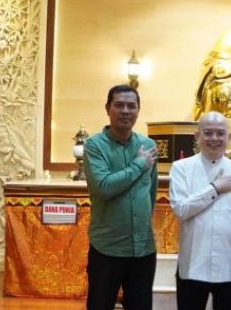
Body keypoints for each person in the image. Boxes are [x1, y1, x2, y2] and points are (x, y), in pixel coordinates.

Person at [169, 111, 231, 310]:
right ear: (197, 136)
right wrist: (215, 188)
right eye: (208, 133)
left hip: (229, 267)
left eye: (220, 133)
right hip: (193, 266)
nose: (214, 138)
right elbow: (181, 210)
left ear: (229, 137)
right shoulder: (181, 168)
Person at [83, 84, 158, 310]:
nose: (126, 111)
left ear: (138, 110)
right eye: (119, 105)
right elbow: (104, 187)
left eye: (131, 106)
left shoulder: (148, 145)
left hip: (143, 249)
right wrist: (139, 164)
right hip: (107, 248)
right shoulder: (94, 145)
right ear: (107, 108)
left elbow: (151, 193)